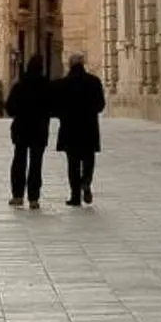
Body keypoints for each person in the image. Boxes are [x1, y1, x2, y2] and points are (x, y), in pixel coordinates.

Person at [53, 52, 106, 207]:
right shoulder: (94, 81)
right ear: (83, 64)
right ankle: (86, 181)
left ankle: (75, 196)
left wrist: (63, 115)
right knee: (88, 158)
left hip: (70, 128)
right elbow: (100, 105)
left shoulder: (63, 84)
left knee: (73, 162)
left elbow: (55, 107)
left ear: (70, 65)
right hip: (89, 127)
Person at [5, 57, 52, 209]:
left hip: (22, 128)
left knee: (19, 160)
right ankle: (34, 197)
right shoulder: (46, 86)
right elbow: (52, 106)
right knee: (36, 163)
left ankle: (17, 195)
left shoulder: (20, 85)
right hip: (39, 129)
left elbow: (10, 108)